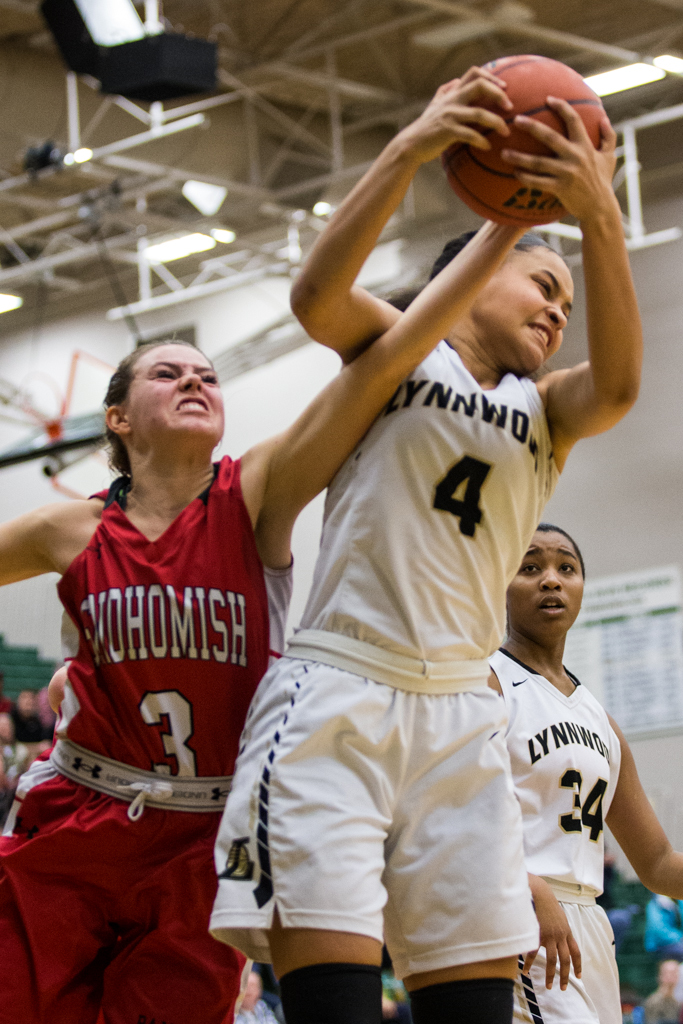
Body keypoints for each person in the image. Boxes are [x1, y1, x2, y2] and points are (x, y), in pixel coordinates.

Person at [0, 215, 517, 1024]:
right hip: (80, 814)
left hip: (208, 833)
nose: (195, 382)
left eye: (206, 375)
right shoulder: (62, 528)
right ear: (118, 419)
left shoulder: (253, 493)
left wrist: (499, 234)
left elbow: (381, 367)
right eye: (167, 374)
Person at [210, 67, 642, 1024]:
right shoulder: (399, 352)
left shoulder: (546, 413)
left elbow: (616, 387)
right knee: (338, 1007)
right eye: (542, 282)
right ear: (477, 274)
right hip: (340, 695)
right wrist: (412, 144)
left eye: (566, 301)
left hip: (461, 723)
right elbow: (317, 293)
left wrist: (595, 212)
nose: (556, 309)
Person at [489, 525, 683, 1024]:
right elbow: (448, 811)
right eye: (530, 567)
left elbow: (658, 861)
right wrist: (531, 887)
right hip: (523, 914)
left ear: (581, 588)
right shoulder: (488, 682)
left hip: (591, 930)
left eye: (565, 568)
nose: (550, 580)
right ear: (499, 584)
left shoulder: (598, 718)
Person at [646, 896, 683, 960]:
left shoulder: (680, 901)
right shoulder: (655, 904)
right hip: (661, 945)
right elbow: (658, 928)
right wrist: (679, 938)